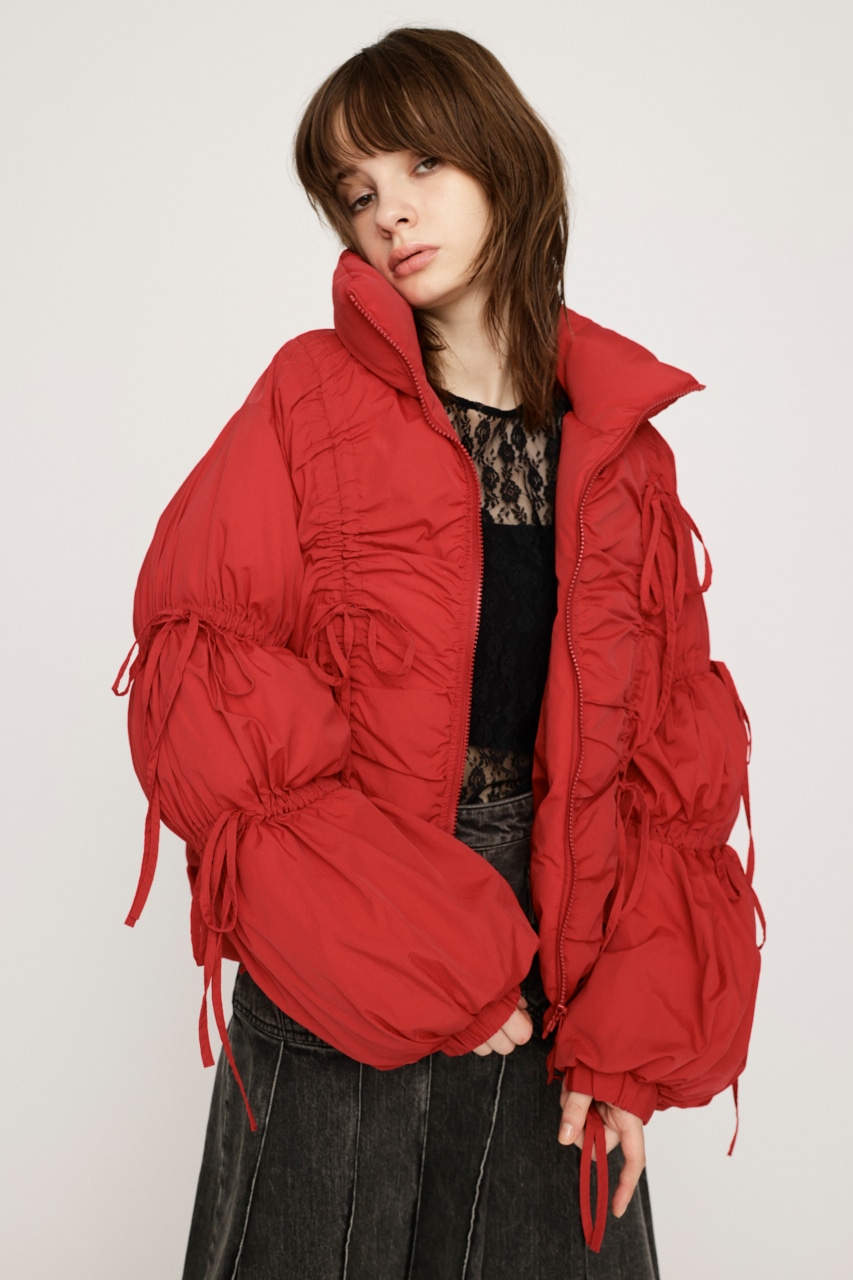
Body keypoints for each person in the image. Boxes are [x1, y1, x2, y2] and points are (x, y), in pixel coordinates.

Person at [114, 27, 762, 1280]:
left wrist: (629, 1051)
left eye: (420, 163)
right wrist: (400, 934)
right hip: (344, 916)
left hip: (561, 950)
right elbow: (209, 685)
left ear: (502, 161)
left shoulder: (622, 452)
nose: (389, 214)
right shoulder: (309, 397)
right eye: (356, 191)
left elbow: (667, 770)